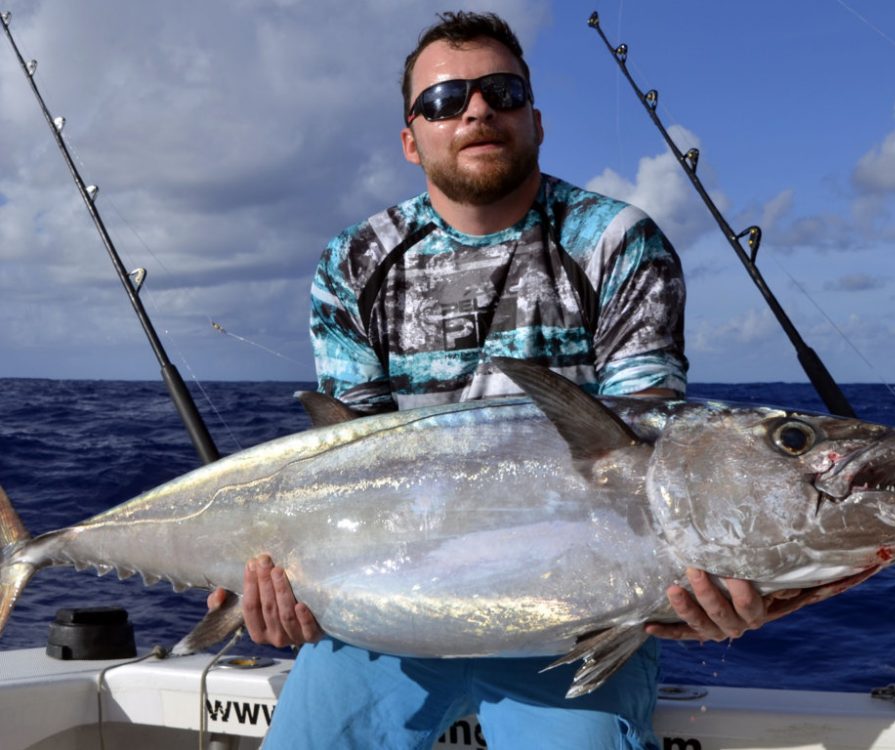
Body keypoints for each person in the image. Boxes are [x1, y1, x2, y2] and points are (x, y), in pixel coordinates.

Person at [209, 11, 790, 749]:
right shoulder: (355, 260)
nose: (477, 109)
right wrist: (277, 582)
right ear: (410, 139)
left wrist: (716, 579)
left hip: (575, 623)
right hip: (384, 621)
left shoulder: (614, 243)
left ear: (537, 121)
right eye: (446, 100)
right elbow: (348, 459)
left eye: (502, 91)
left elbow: (659, 458)